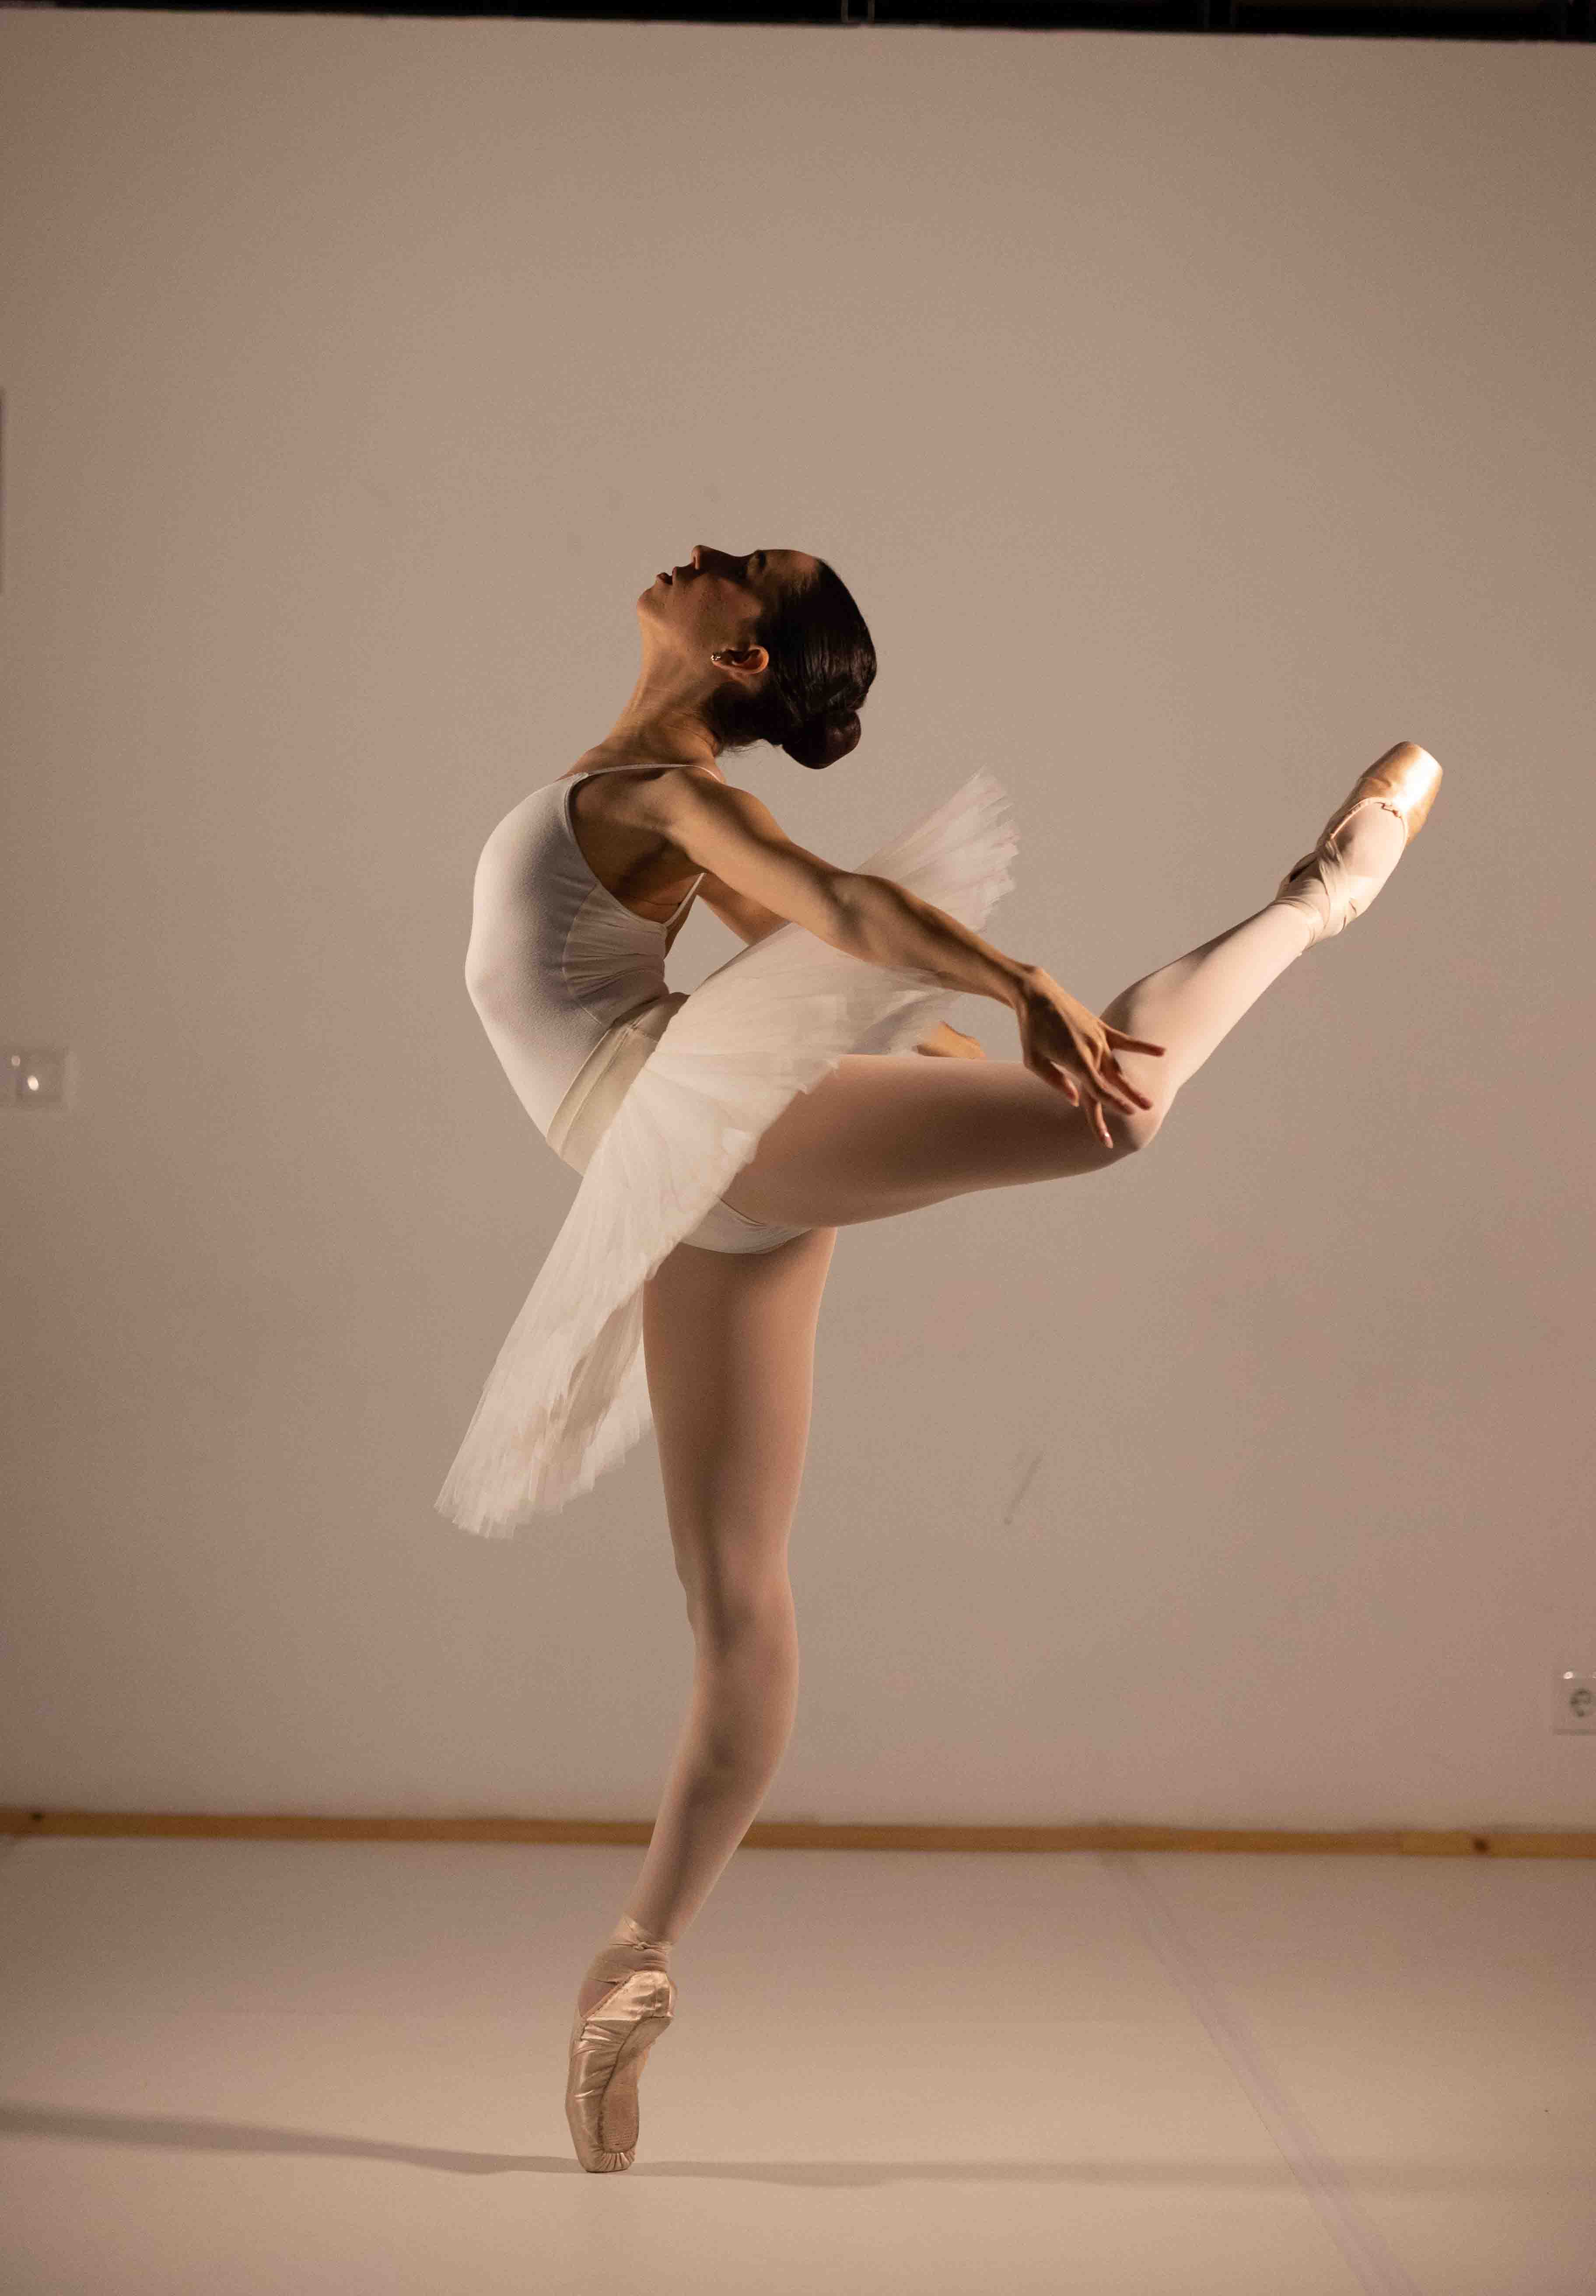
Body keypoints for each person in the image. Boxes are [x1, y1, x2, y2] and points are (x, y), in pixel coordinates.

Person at [440, 543, 1442, 2170]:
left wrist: (1017, 982)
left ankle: (1319, 897)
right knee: (734, 1605)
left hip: (694, 1129)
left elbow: (841, 902)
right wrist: (930, 1043)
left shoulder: (667, 792)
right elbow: (822, 956)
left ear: (745, 656)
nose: (705, 555)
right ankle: (636, 1964)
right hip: (680, 1182)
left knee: (1115, 1111)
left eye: (743, 570)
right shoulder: (634, 797)